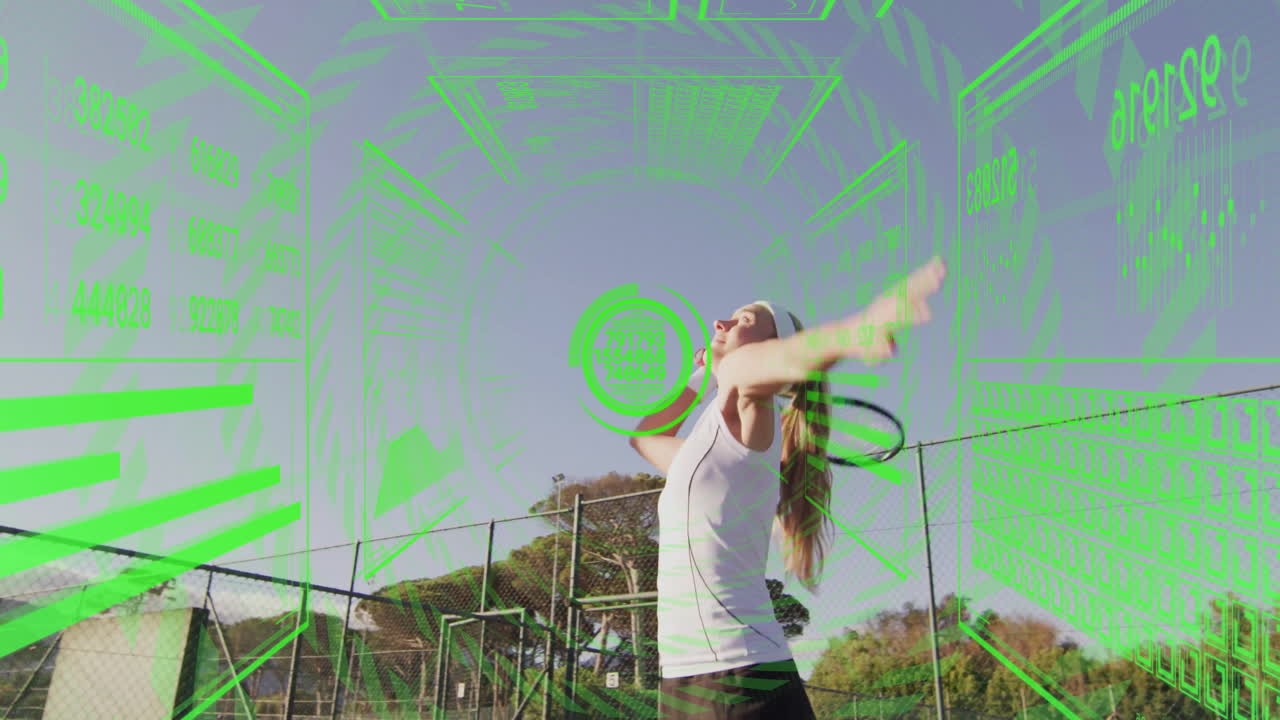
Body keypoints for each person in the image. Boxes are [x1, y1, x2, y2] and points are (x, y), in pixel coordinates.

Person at [628, 257, 947, 719]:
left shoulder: (750, 414)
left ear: (773, 347)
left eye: (743, 320)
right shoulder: (705, 448)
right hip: (684, 679)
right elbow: (644, 437)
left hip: (742, 678)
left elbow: (766, 366)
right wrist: (701, 376)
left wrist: (856, 331)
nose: (720, 322)